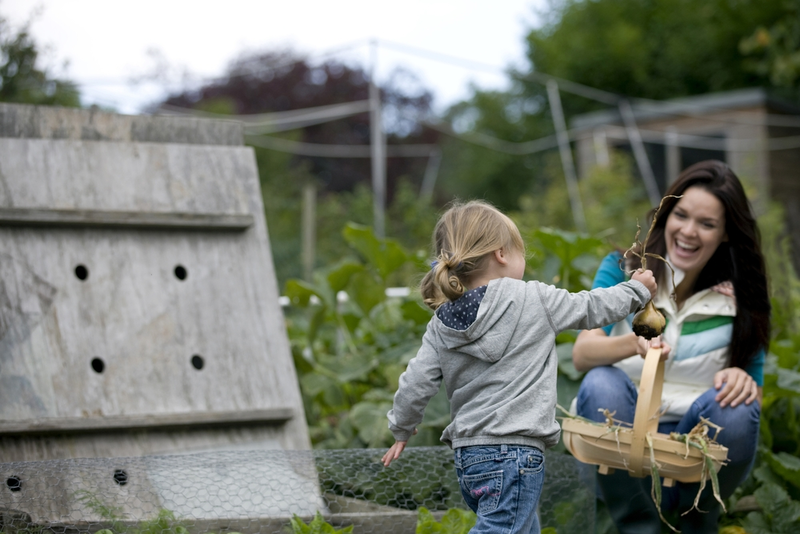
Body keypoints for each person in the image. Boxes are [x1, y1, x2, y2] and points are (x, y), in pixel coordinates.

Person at [381, 200, 657, 534]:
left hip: (469, 457)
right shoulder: (533, 298)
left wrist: (402, 426)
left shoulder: (441, 322)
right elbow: (592, 307)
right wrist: (637, 290)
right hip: (516, 455)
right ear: (501, 253)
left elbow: (415, 382)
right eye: (520, 250)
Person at [572, 160, 770, 534]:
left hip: (698, 430)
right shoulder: (625, 269)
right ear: (666, 214)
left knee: (741, 407)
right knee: (600, 382)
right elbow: (583, 352)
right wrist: (634, 344)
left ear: (726, 233)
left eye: (707, 224)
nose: (689, 231)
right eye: (681, 215)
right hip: (625, 419)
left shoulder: (742, 294)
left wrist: (742, 378)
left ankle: (695, 520)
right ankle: (639, 526)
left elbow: (754, 389)